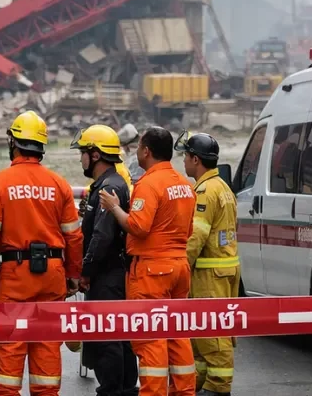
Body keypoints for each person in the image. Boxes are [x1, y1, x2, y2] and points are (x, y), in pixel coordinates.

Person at [0, 110, 84, 396]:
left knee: (10, 343)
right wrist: (73, 274)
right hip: (53, 275)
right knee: (47, 342)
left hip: (15, 275)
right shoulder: (59, 184)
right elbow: (74, 235)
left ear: (14, 143)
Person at [99, 126, 197, 396]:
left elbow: (138, 227)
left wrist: (114, 207)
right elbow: (188, 231)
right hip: (179, 267)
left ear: (146, 151)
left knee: (151, 337)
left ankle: (153, 393)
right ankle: (184, 391)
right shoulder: (185, 185)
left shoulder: (149, 184)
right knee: (177, 334)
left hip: (152, 271)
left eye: (140, 146)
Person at [71, 125, 138, 396]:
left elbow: (101, 236)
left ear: (95, 155)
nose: (81, 159)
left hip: (107, 276)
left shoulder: (109, 188)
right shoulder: (109, 184)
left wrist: (85, 270)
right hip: (113, 273)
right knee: (119, 336)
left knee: (107, 336)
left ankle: (112, 390)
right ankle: (124, 388)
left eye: (84, 153)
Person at [177, 132, 239, 396]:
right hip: (222, 269)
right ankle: (202, 378)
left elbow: (196, 236)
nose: (183, 162)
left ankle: (218, 385)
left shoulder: (204, 191)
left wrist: (181, 267)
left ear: (195, 159)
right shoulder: (222, 187)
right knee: (204, 330)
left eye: (185, 157)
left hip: (208, 273)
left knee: (213, 330)